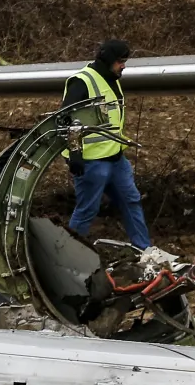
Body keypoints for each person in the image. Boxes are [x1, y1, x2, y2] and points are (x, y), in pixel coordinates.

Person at [61, 39, 151, 249]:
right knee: (87, 211)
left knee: (131, 201)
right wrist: (75, 154)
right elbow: (64, 118)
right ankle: (67, 255)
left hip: (116, 159)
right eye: (120, 61)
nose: (124, 66)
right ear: (109, 60)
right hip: (92, 163)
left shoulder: (112, 78)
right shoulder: (82, 82)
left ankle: (145, 250)